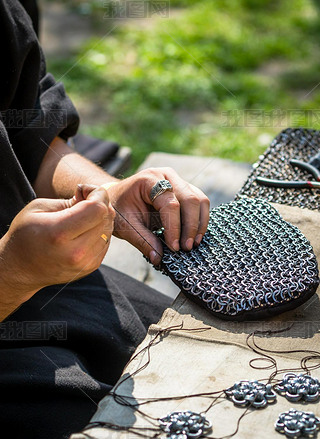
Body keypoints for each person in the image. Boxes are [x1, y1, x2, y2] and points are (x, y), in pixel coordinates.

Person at [0, 1, 210, 438]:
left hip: (43, 276)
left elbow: (27, 130)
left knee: (198, 351)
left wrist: (110, 190)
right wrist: (14, 272)